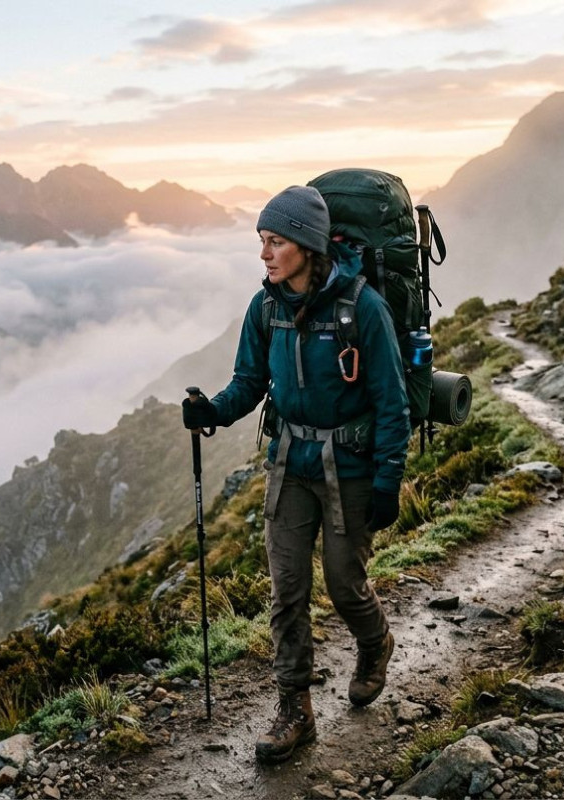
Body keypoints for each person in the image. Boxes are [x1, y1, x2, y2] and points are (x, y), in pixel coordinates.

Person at [181, 185, 409, 764]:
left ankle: (375, 640)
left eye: (275, 241)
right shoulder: (265, 308)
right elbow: (249, 383)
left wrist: (387, 481)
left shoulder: (364, 309)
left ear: (307, 245)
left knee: (343, 584)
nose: (264, 253)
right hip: (290, 466)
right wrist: (213, 411)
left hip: (351, 471)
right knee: (287, 593)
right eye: (261, 240)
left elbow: (391, 401)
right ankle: (294, 711)